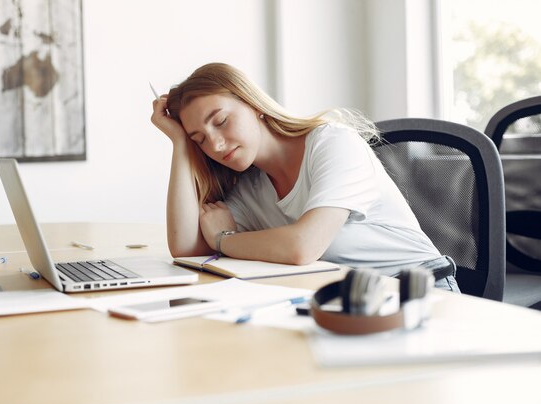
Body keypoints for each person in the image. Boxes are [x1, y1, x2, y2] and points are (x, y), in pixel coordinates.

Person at [150, 62, 460, 292]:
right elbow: (186, 248)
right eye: (200, 139)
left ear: (254, 104)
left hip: (423, 292)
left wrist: (224, 239)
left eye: (221, 121)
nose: (214, 145)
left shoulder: (333, 142)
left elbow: (303, 246)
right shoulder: (250, 186)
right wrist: (179, 144)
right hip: (347, 300)